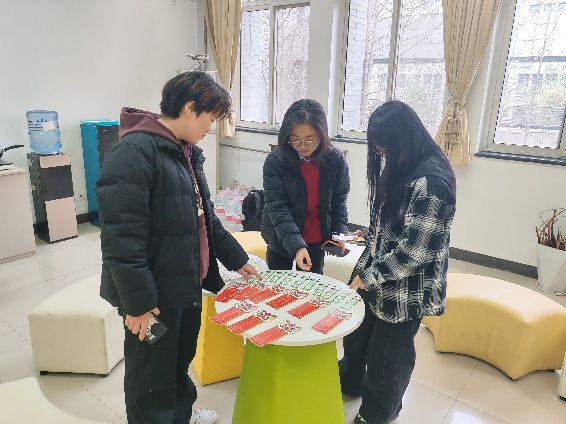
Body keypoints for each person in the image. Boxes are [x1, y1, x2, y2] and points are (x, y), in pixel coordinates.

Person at [96, 71, 261, 424]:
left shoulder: (185, 152)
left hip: (184, 284)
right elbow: (121, 242)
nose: (210, 128)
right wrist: (139, 305)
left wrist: (237, 259)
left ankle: (181, 416)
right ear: (189, 108)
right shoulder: (133, 154)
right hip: (153, 296)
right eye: (210, 119)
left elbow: (206, 219)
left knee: (178, 361)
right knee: (150, 377)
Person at [339, 101, 456, 424]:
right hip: (380, 272)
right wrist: (367, 240)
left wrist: (369, 276)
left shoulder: (432, 183)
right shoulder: (404, 164)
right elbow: (390, 225)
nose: (382, 155)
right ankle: (350, 382)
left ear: (405, 139)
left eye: (386, 148)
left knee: (387, 357)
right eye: (378, 149)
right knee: (357, 334)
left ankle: (378, 414)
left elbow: (415, 253)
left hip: (406, 288)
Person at [261, 99, 350, 274]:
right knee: (277, 284)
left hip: (316, 238)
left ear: (322, 134)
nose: (302, 146)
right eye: (295, 139)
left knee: (312, 285)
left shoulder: (335, 160)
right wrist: (296, 245)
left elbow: (339, 201)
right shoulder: (276, 161)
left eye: (310, 139)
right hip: (281, 235)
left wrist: (339, 234)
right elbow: (278, 207)